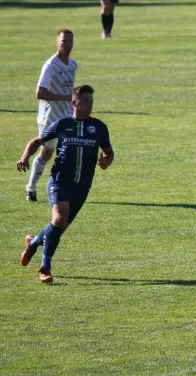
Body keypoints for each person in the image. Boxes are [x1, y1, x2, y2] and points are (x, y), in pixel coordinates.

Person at [16, 85, 114, 283]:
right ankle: (45, 267)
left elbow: (108, 151)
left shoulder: (99, 127)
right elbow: (37, 141)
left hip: (83, 185)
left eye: (92, 101)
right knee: (60, 218)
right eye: (86, 101)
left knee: (59, 226)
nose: (90, 104)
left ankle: (33, 243)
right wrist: (25, 157)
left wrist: (106, 160)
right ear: (75, 103)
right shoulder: (62, 124)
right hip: (60, 180)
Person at [25, 29, 77, 202]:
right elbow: (40, 93)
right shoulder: (50, 66)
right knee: (46, 152)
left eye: (70, 41)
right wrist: (65, 97)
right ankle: (31, 187)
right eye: (64, 41)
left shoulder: (73, 64)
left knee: (71, 149)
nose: (67, 44)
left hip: (68, 115)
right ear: (57, 43)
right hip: (50, 117)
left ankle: (64, 189)